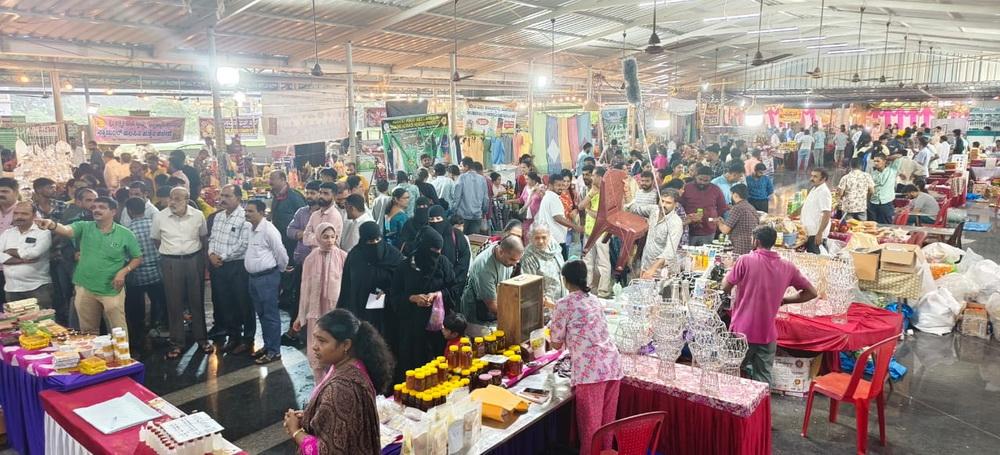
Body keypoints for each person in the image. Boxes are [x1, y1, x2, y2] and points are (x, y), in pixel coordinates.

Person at [282, 309, 392, 455]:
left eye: (322, 341)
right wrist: (312, 414)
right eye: (315, 338)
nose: (314, 346)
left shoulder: (340, 389)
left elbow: (326, 451)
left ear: (345, 344)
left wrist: (295, 431)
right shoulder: (352, 365)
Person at [722, 226, 817, 384]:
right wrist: (786, 300)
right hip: (767, 335)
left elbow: (725, 286)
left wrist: (729, 269)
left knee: (731, 376)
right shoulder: (788, 266)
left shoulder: (745, 260)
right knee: (763, 380)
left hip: (742, 331)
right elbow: (811, 292)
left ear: (756, 241)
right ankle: (760, 408)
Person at [548, 260, 623, 455]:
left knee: (591, 432)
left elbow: (555, 343)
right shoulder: (595, 299)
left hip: (591, 373)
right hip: (612, 365)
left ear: (564, 280)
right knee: (606, 427)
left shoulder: (563, 304)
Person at [36, 197, 142, 334]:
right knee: (88, 331)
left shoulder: (125, 234)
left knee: (118, 330)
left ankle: (121, 355)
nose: (96, 210)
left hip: (111, 288)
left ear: (113, 211)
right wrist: (52, 225)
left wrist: (123, 272)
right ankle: (94, 355)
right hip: (85, 287)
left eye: (102, 207)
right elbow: (67, 230)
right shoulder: (84, 226)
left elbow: (137, 258)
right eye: (94, 207)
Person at [388, 227, 458, 377]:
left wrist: (437, 295)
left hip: (439, 330)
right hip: (413, 330)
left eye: (439, 251)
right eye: (433, 250)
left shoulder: (443, 263)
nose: (436, 255)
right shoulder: (404, 268)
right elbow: (394, 296)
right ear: (424, 248)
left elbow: (454, 290)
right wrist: (412, 298)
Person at [152, 187, 211, 358]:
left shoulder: (197, 216)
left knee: (197, 300)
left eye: (178, 198)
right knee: (174, 303)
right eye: (171, 197)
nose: (173, 202)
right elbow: (156, 239)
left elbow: (203, 237)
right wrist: (171, 253)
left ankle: (202, 339)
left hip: (194, 260)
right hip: (170, 262)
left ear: (187, 199)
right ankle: (177, 343)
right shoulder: (160, 216)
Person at [295, 222, 348, 380]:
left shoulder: (342, 256)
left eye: (333, 237)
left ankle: (335, 380)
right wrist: (301, 315)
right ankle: (319, 386)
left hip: (335, 309)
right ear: (318, 237)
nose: (330, 240)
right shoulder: (311, 259)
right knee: (317, 343)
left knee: (335, 343)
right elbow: (305, 288)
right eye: (325, 237)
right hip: (316, 310)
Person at [207, 185, 255, 355]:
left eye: (228, 196)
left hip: (237, 266)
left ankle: (248, 339)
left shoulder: (245, 217)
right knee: (225, 303)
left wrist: (222, 257)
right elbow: (212, 238)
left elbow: (243, 244)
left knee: (243, 303)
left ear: (238, 198)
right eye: (222, 195)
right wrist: (211, 254)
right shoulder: (218, 217)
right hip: (218, 266)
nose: (223, 199)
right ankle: (233, 336)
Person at [244, 199, 290, 365]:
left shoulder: (269, 230)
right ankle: (268, 345)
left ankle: (274, 351)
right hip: (254, 279)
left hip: (267, 278)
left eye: (251, 211)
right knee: (262, 314)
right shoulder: (250, 228)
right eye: (246, 211)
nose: (247, 214)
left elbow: (281, 254)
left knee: (270, 315)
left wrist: (282, 271)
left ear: (262, 213)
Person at [338, 222, 402, 333]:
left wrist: (387, 292)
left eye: (378, 240)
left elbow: (401, 283)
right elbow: (347, 286)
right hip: (361, 312)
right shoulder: (355, 256)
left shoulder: (394, 256)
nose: (375, 244)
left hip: (387, 313)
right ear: (363, 241)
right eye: (370, 241)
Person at [122, 198, 167, 352]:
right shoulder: (155, 225)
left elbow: (127, 257)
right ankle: (157, 327)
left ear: (129, 211)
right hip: (157, 272)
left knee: (136, 308)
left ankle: (139, 334)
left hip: (137, 276)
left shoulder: (127, 231)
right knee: (158, 302)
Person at [461, 235, 524, 337]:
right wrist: (514, 319)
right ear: (500, 252)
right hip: (479, 314)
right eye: (512, 260)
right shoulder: (485, 268)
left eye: (517, 260)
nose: (514, 264)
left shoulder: (503, 250)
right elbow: (492, 306)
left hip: (497, 305)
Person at [0, 202, 53, 308]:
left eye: (24, 214)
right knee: (15, 322)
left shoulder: (42, 232)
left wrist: (10, 251)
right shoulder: (7, 233)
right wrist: (23, 259)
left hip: (37, 288)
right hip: (11, 288)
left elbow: (34, 254)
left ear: (34, 216)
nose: (19, 217)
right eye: (16, 213)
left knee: (41, 322)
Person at [535, 173, 584, 259]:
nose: (561, 187)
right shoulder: (553, 198)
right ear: (550, 185)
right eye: (558, 185)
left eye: (562, 185)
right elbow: (557, 217)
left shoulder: (548, 196)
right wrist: (575, 226)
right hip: (556, 240)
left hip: (551, 239)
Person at [639, 188, 683, 279]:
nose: (663, 205)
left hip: (662, 271)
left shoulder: (676, 222)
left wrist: (652, 269)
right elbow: (635, 208)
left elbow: (669, 251)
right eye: (662, 201)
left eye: (668, 203)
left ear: (676, 205)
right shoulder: (654, 210)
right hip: (646, 264)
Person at [582, 168, 612, 298]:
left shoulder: (608, 193)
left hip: (602, 232)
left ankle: (603, 290)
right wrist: (590, 196)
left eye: (593, 175)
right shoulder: (592, 190)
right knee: (587, 261)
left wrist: (588, 211)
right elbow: (581, 206)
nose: (591, 178)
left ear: (600, 177)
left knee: (603, 262)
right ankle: (586, 288)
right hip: (589, 232)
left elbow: (603, 216)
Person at [428, 205, 470, 297]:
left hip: (452, 286)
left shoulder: (456, 235)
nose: (435, 222)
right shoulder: (424, 236)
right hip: (429, 288)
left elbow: (464, 259)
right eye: (431, 219)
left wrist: (453, 279)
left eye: (438, 218)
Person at [680, 166, 729, 246]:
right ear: (695, 176)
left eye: (706, 180)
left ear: (711, 179)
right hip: (689, 229)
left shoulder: (716, 189)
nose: (702, 182)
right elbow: (680, 206)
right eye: (700, 179)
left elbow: (722, 207)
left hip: (708, 230)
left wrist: (712, 217)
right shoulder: (687, 188)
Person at [519, 225, 566, 303]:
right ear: (531, 238)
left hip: (561, 299)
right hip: (544, 303)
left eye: (544, 237)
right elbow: (529, 286)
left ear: (549, 237)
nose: (540, 241)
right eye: (537, 238)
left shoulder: (555, 250)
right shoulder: (528, 258)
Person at [719, 184, 760, 256]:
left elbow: (725, 230)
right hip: (752, 246)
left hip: (740, 247)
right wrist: (724, 223)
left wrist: (719, 222)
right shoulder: (751, 207)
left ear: (735, 194)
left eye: (731, 194)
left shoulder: (737, 208)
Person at [304, 182, 346, 252]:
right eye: (320, 192)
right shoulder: (315, 215)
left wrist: (312, 236)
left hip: (330, 258)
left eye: (326, 193)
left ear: (334, 196)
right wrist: (320, 238)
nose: (321, 196)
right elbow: (305, 238)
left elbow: (328, 242)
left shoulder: (334, 215)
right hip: (314, 256)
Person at [452, 157, 489, 235]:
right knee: (474, 241)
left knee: (462, 239)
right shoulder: (482, 179)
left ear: (466, 166)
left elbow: (457, 197)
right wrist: (484, 211)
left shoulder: (462, 178)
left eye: (461, 166)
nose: (460, 169)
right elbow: (485, 198)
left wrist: (454, 210)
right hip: (477, 215)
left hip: (463, 215)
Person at [799, 169, 832, 255]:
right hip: (809, 232)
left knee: (818, 261)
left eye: (815, 176)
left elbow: (827, 214)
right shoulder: (814, 188)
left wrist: (819, 233)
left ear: (823, 179)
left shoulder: (824, 192)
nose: (811, 178)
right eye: (811, 176)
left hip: (816, 233)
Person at [867, 152, 902, 224]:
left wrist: (886, 158)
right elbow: (870, 189)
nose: (876, 163)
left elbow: (899, 156)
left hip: (886, 203)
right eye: (874, 161)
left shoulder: (892, 170)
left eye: (878, 161)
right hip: (873, 202)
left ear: (884, 161)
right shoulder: (873, 174)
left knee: (886, 225)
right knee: (872, 226)